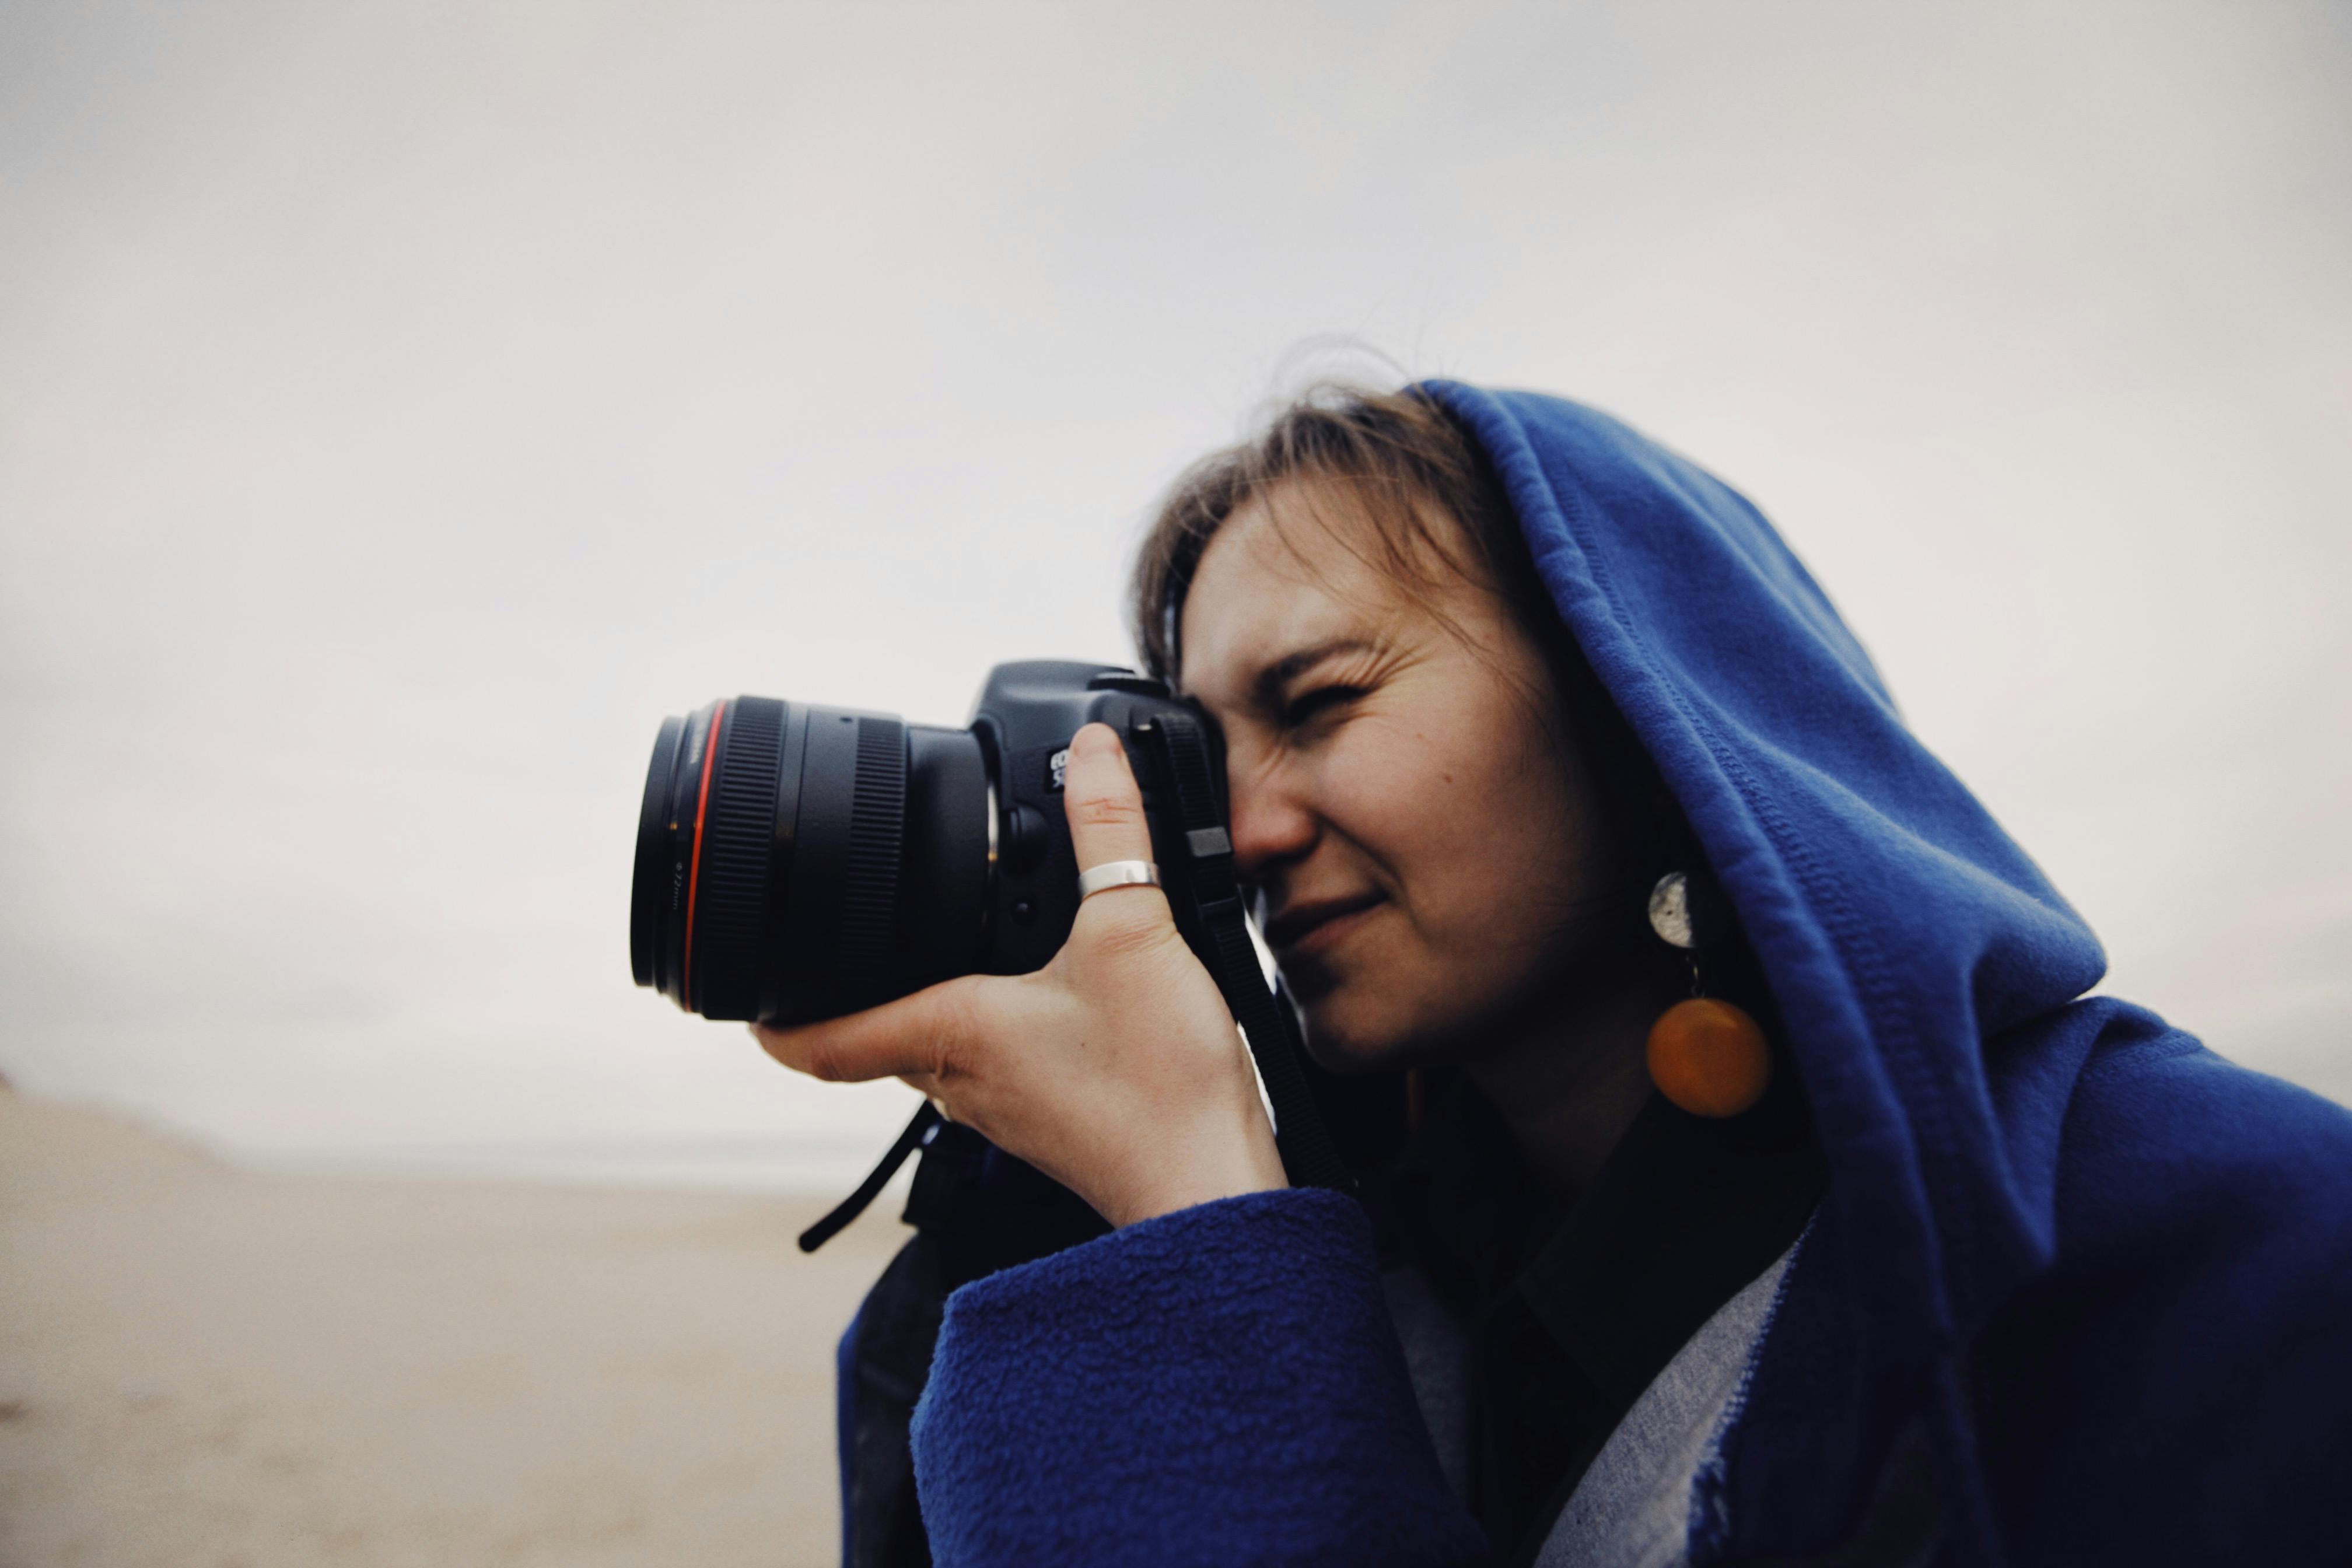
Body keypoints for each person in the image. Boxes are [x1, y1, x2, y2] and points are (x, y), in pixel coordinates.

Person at [754, 381, 2352, 1567]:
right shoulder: (1367, 1231)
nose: (1237, 833)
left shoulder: (2229, 1242)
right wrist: (1076, 1207)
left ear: (1633, 703)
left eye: (1315, 704)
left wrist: (1195, 1239)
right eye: (1200, 754)